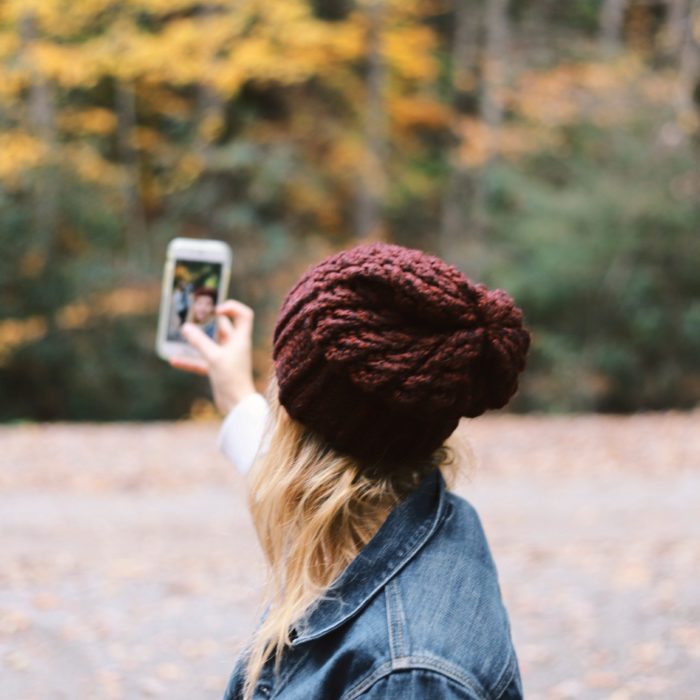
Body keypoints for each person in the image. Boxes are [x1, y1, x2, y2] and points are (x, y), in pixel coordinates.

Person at [170, 242, 531, 700]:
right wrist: (236, 393)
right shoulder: (402, 514)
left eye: (281, 375)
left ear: (292, 424)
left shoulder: (407, 675)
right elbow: (309, 479)